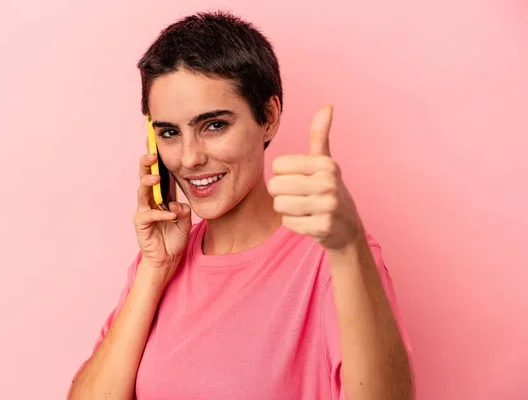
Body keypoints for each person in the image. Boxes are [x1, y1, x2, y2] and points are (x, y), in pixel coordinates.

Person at [68, 10, 414, 400]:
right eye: (169, 133)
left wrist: (348, 248)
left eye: (214, 125)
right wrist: (154, 269)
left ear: (269, 117)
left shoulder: (333, 259)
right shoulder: (157, 264)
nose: (189, 158)